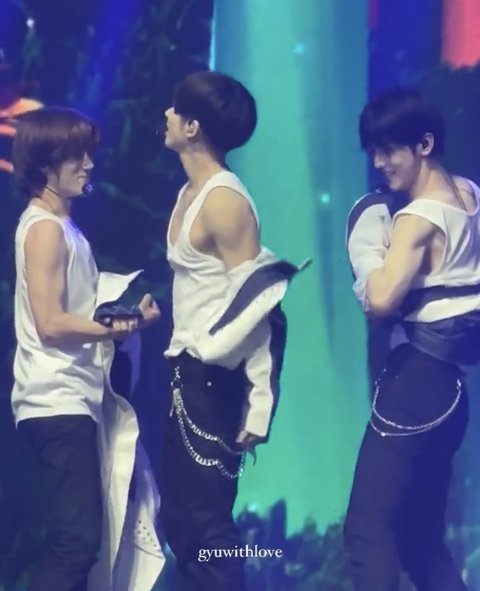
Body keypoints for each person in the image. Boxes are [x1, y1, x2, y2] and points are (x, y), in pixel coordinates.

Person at [160, 70, 302, 591]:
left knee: (208, 528)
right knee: (181, 524)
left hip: (214, 382)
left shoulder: (226, 201)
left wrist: (260, 405)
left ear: (192, 126)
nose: (166, 115)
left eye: (175, 109)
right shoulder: (189, 192)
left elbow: (261, 307)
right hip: (183, 373)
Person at [11, 106, 161, 591]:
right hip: (54, 399)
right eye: (75, 156)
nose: (88, 164)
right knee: (75, 542)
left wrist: (125, 319)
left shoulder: (64, 229)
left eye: (88, 154)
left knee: (84, 543)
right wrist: (112, 330)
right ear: (44, 164)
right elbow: (50, 323)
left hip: (74, 398)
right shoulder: (45, 229)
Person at [344, 87, 478, 591]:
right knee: (422, 541)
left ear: (424, 144)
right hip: (452, 388)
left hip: (416, 385)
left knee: (367, 528)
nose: (379, 163)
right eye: (373, 151)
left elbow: (380, 300)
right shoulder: (470, 195)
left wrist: (364, 251)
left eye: (389, 150)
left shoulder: (416, 219)